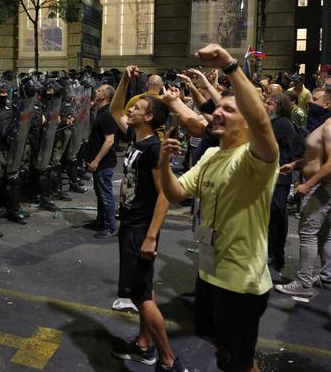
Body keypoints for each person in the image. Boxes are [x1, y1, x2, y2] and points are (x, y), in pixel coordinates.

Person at [159, 43, 279, 372]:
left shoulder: (256, 160)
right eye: (218, 108)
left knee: (239, 362)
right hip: (209, 272)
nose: (216, 112)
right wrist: (164, 161)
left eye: (228, 109)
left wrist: (229, 64)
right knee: (224, 350)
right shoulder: (212, 155)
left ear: (247, 121)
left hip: (240, 283)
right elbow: (176, 193)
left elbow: (263, 125)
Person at [109, 65, 188, 372]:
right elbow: (117, 107)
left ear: (149, 117)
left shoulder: (154, 149)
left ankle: (168, 359)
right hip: (131, 225)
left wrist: (151, 235)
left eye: (138, 107)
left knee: (142, 298)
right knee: (145, 289)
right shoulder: (135, 137)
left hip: (140, 229)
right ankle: (144, 344)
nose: (131, 109)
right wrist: (124, 81)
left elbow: (165, 195)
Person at [275, 87, 331, 297]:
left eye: (314, 99)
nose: (309, 102)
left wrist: (307, 184)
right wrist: (296, 165)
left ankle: (304, 283)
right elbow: (314, 157)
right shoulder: (320, 126)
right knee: (325, 233)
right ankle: (327, 277)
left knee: (307, 233)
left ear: (327, 104)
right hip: (319, 186)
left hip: (322, 187)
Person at [264, 93, 300, 273]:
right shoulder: (276, 122)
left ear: (278, 106)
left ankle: (276, 253)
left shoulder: (282, 124)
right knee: (270, 215)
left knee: (277, 214)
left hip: (280, 177)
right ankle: (272, 252)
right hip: (274, 175)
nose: (265, 106)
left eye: (269, 103)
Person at [86, 84, 118, 238]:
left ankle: (111, 226)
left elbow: (110, 140)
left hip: (104, 163)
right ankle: (101, 221)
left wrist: (97, 160)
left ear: (105, 96)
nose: (95, 91)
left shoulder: (107, 114)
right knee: (100, 193)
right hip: (99, 163)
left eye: (99, 90)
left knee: (105, 194)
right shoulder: (100, 111)